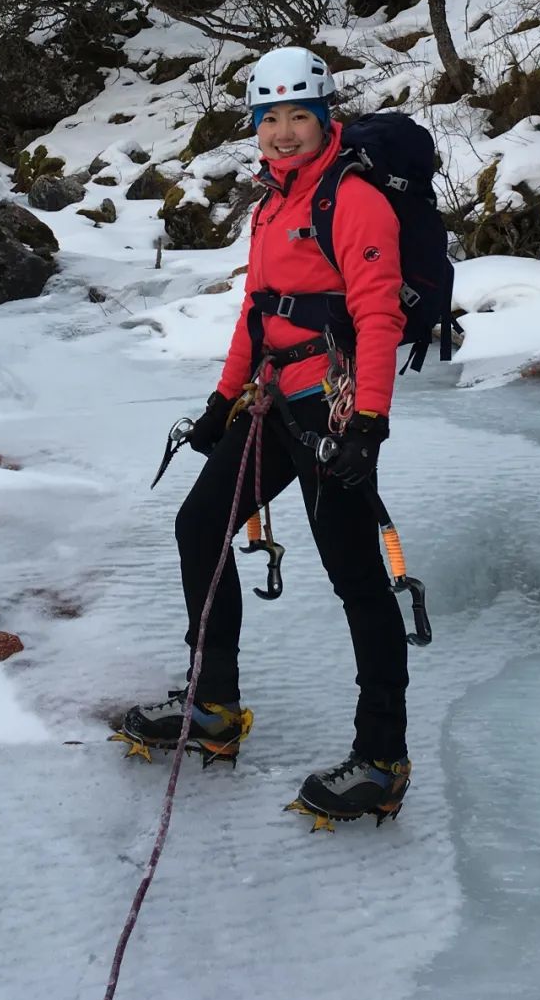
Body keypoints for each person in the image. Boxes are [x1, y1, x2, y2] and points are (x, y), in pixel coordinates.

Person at [121, 46, 412, 824]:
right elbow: (257, 313)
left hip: (334, 409)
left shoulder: (353, 201)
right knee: (200, 523)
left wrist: (370, 423)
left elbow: (379, 314)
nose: (283, 132)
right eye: (269, 118)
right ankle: (213, 704)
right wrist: (222, 402)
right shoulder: (274, 202)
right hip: (272, 404)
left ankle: (381, 755)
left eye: (298, 117)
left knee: (355, 574)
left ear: (326, 120)